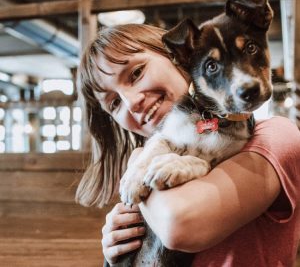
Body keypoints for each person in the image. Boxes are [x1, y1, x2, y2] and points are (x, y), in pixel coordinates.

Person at [75, 23, 300, 267]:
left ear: (179, 54)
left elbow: (179, 224)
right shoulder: (147, 166)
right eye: (114, 103)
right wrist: (117, 255)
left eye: (137, 73)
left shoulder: (274, 135)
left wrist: (139, 157)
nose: (132, 103)